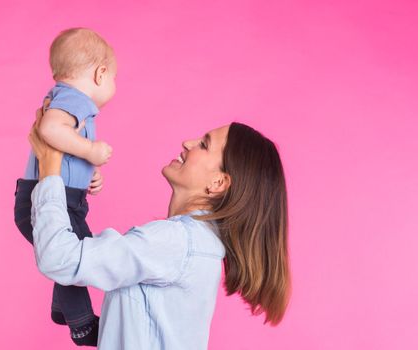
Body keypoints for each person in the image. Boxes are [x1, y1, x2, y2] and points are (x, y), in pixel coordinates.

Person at [28, 107, 292, 349]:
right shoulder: (198, 247)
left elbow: (59, 258)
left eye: (203, 144)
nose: (187, 143)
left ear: (218, 182)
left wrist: (50, 168)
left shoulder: (177, 243)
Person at [14, 28, 116, 346]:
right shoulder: (74, 99)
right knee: (77, 256)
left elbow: (62, 143)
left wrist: (88, 174)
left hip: (60, 195)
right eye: (115, 77)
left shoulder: (65, 98)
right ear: (100, 74)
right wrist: (91, 151)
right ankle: (82, 324)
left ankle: (63, 308)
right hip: (49, 198)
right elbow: (50, 129)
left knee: (74, 253)